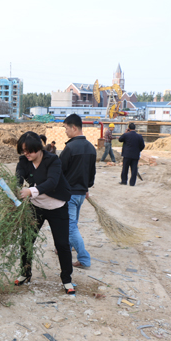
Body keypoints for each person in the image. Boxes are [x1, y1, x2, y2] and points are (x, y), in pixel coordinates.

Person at [15, 131, 75, 295]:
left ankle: (67, 279)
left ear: (38, 148)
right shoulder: (24, 161)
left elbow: (52, 182)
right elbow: (18, 179)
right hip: (36, 207)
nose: (26, 154)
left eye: (29, 151)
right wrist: (14, 190)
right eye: (23, 151)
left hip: (57, 206)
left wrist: (30, 191)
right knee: (26, 241)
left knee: (62, 244)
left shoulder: (53, 160)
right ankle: (25, 273)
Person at [59, 114, 96, 269]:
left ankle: (84, 258)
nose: (65, 131)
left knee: (70, 227)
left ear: (74, 128)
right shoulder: (91, 148)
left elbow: (59, 172)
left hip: (70, 195)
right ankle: (65, 247)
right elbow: (91, 174)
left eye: (66, 128)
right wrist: (86, 187)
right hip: (81, 194)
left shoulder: (70, 148)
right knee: (72, 224)